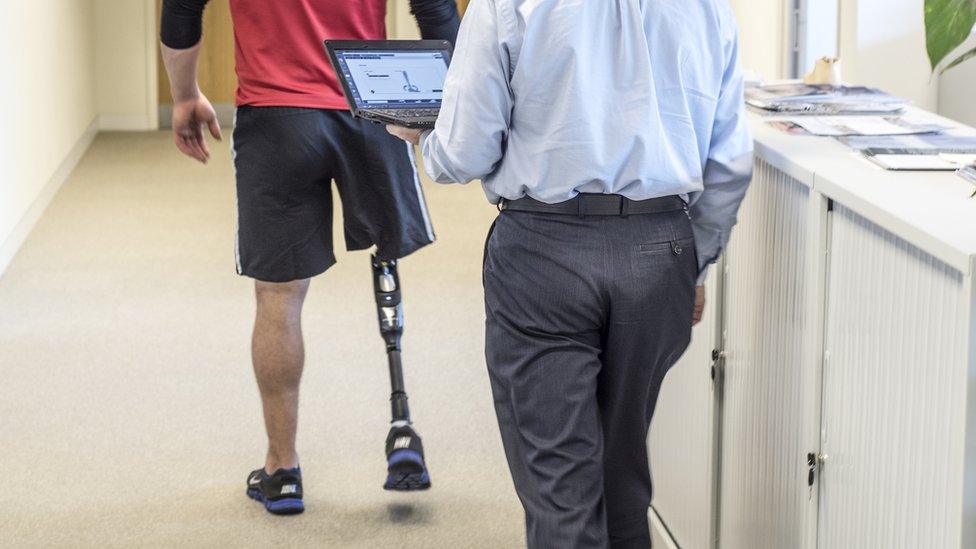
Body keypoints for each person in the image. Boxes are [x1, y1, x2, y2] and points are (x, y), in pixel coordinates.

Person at [387, 0, 753, 546]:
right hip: (661, 252)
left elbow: (466, 150)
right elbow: (729, 163)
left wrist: (425, 140)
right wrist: (692, 265)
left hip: (544, 253)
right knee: (623, 481)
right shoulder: (708, 8)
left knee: (562, 489)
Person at [160, 0, 460, 515]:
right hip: (370, 96)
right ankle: (402, 433)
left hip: (275, 116)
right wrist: (448, 98)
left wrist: (185, 94)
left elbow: (181, 11)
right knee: (384, 256)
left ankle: (282, 469)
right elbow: (436, 11)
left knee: (279, 296)